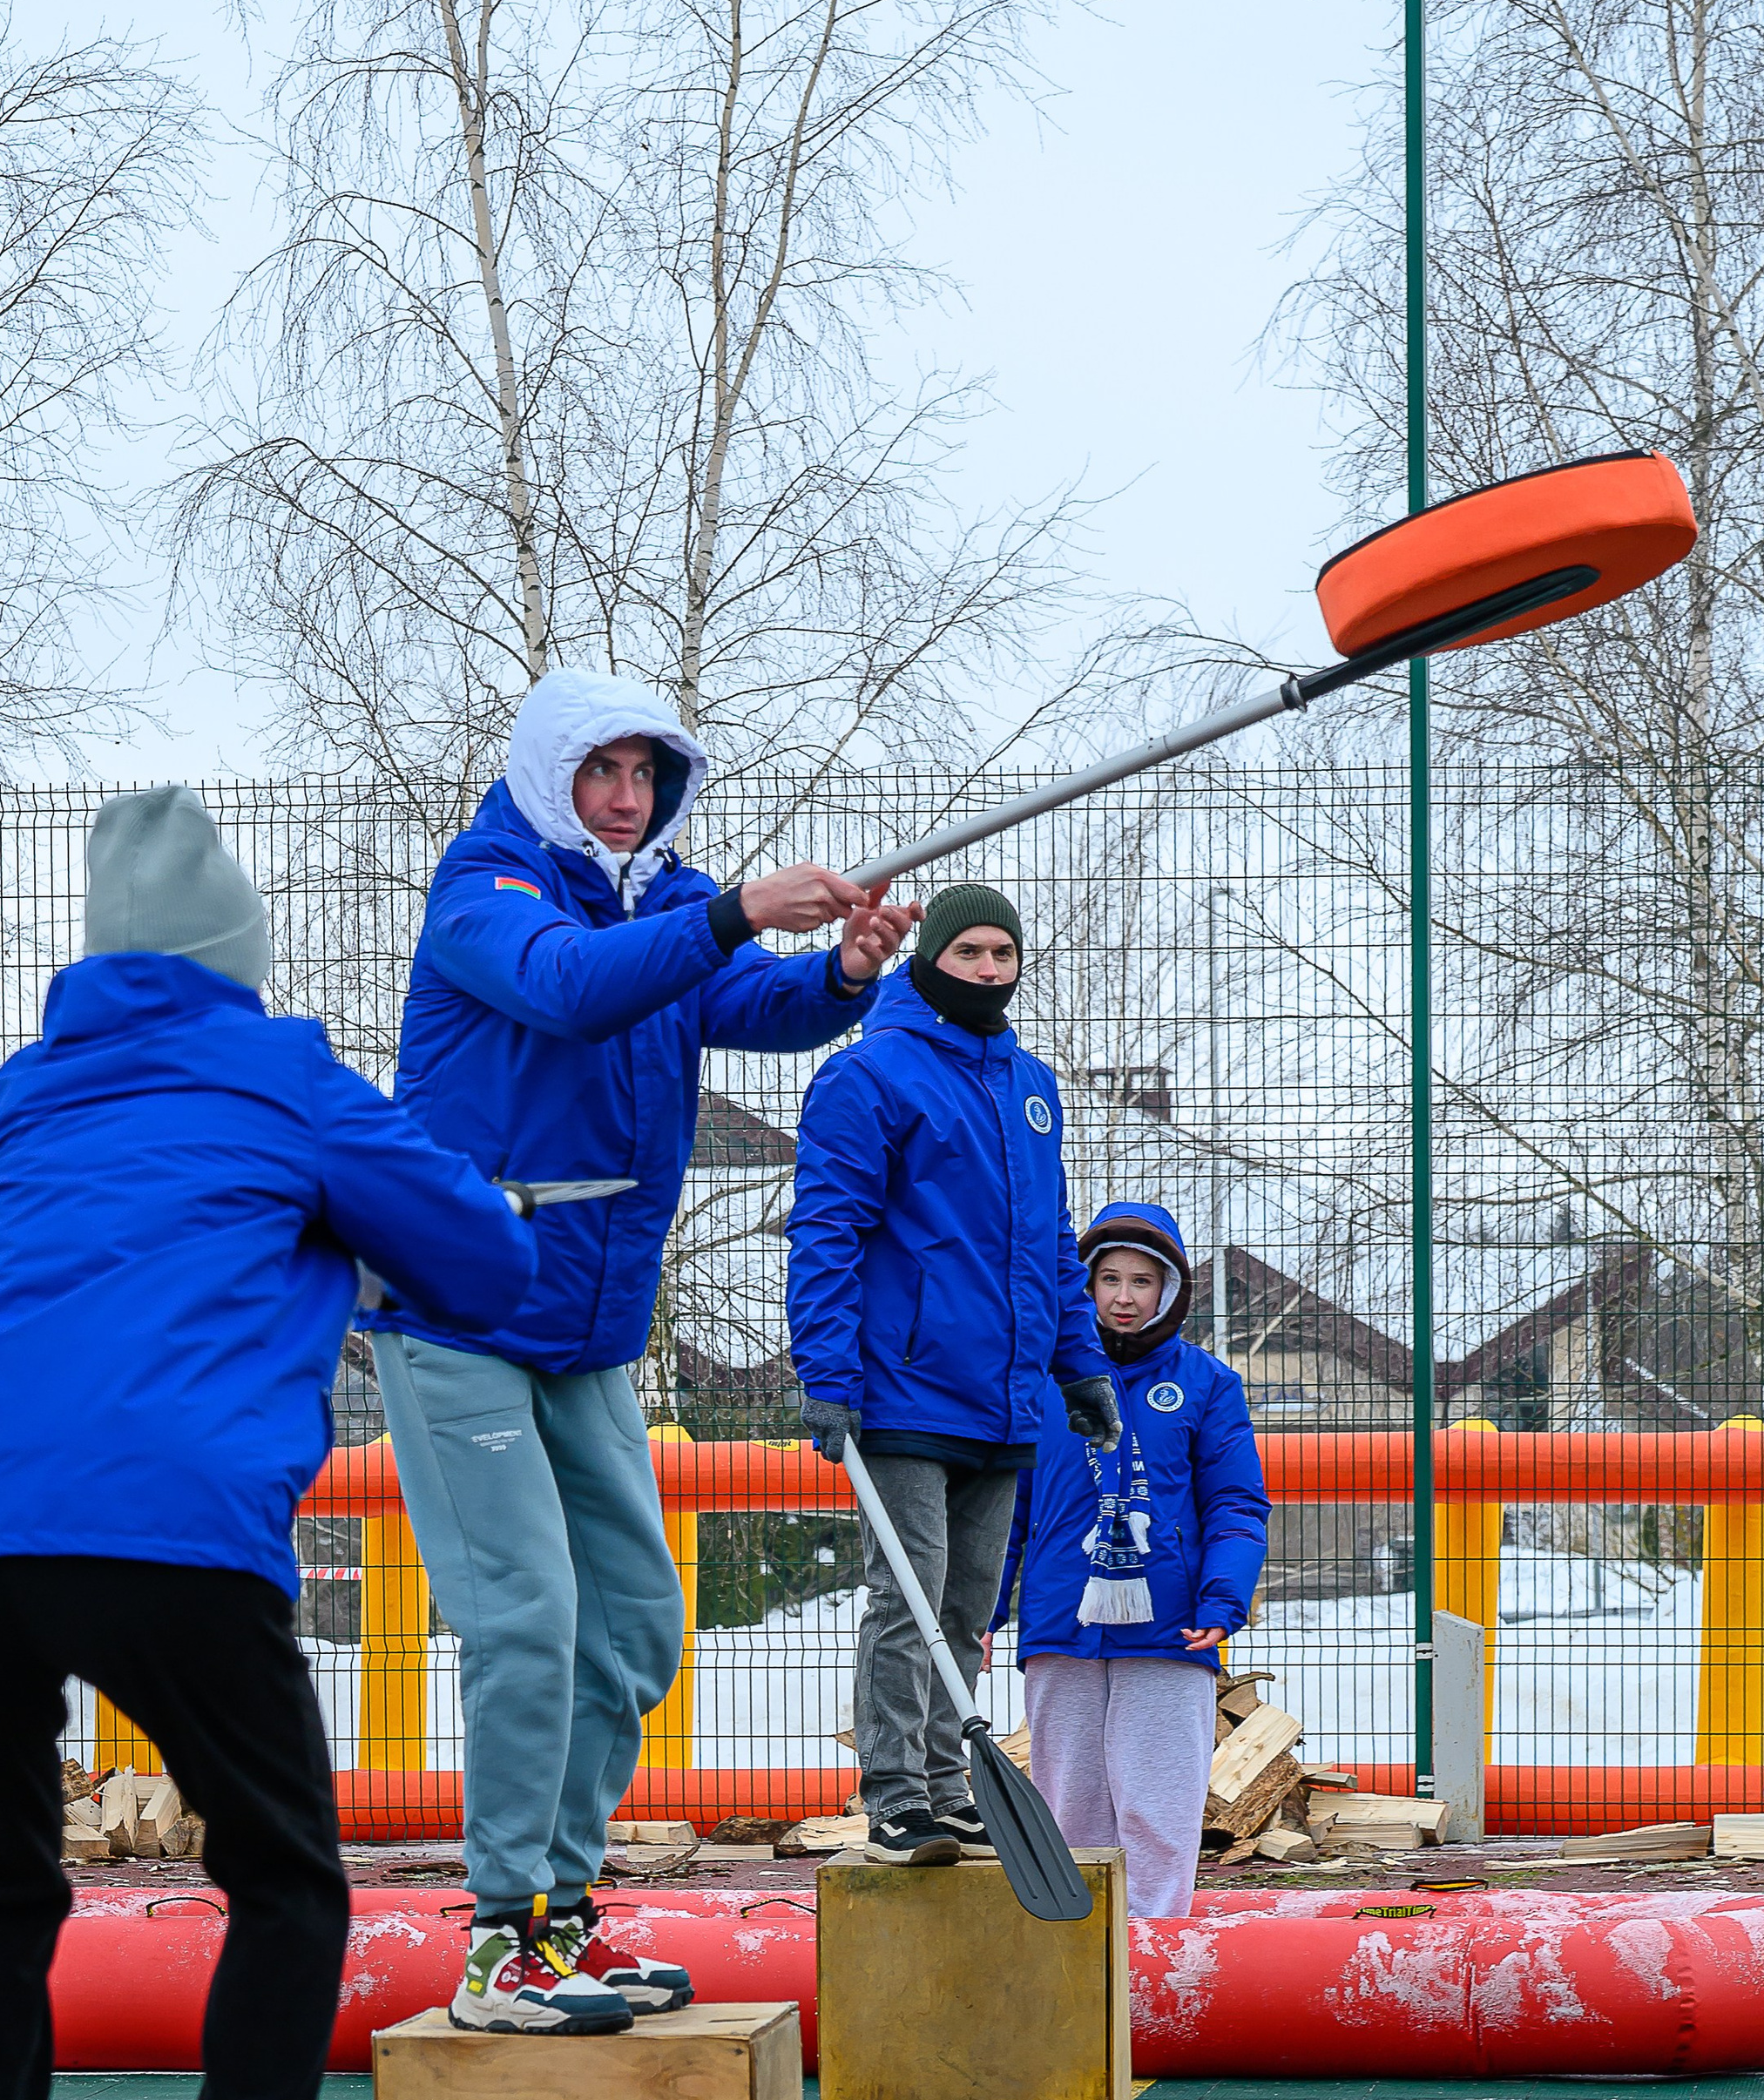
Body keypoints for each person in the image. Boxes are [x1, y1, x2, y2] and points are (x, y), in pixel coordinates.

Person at [0, 787, 537, 2100]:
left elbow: (111, 1259)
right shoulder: (285, 1071)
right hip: (169, 1522)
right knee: (286, 1876)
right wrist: (404, 1232)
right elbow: (487, 1266)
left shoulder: (24, 1091)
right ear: (243, 952)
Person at [375, 672, 913, 2029]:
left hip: (589, 1327)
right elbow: (567, 992)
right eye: (602, 773)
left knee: (633, 1627)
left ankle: (561, 1920)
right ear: (554, 775)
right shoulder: (486, 889)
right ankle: (499, 1943)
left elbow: (748, 1006)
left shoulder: (668, 900)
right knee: (526, 1618)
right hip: (458, 1313)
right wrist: (734, 913)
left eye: (646, 778)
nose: (626, 799)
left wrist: (844, 971)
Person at [784, 882, 1119, 1863]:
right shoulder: (869, 1077)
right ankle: (893, 1796)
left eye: (1001, 955)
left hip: (1005, 1394)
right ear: (928, 959)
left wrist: (1078, 1362)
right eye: (967, 952)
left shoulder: (1032, 1088)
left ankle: (941, 1781)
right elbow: (826, 1232)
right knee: (911, 1596)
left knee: (970, 1606)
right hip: (901, 1388)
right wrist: (827, 1373)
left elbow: (1051, 1242)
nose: (985, 970)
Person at [987, 1202, 1270, 1917]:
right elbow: (1004, 1511)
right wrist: (982, 1614)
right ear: (1082, 1286)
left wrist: (1221, 1602)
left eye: (1142, 1281)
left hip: (1171, 1627)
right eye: (1107, 1278)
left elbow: (1237, 1505)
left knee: (1156, 1805)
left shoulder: (1208, 1385)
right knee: (1071, 1807)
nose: (1122, 1296)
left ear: (1170, 1291)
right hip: (1062, 1623)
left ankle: (1157, 1964)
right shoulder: (1038, 1381)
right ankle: (1078, 1958)